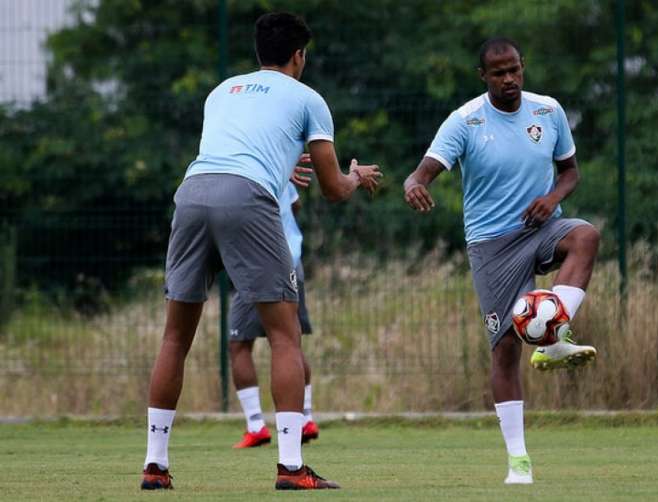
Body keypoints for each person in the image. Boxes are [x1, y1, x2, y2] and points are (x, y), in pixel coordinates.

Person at [141, 12, 381, 491]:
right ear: (299, 55)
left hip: (192, 192)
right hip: (246, 198)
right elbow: (333, 188)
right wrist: (357, 176)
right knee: (285, 335)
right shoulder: (309, 97)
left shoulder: (222, 90)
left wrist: (278, 164)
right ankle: (292, 468)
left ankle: (155, 465)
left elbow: (240, 145)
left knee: (175, 338)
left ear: (258, 53)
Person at [403, 37, 599, 485]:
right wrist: (414, 184)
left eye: (514, 70)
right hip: (492, 244)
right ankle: (519, 462)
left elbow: (570, 171)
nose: (508, 79)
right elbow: (424, 170)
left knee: (586, 236)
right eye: (498, 73)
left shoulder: (548, 111)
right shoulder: (465, 121)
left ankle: (553, 335)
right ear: (483, 76)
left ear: (523, 67)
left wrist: (552, 198)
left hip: (542, 225)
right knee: (506, 350)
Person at [230, 155, 320, 449]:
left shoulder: (239, 173)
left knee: (239, 344)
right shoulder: (277, 167)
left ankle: (256, 425)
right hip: (293, 259)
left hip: (259, 265)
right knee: (289, 341)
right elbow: (295, 204)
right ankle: (305, 417)